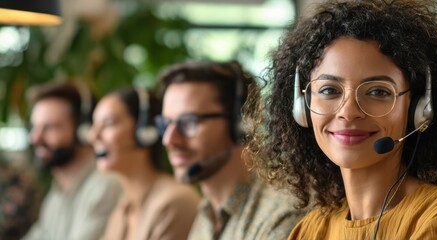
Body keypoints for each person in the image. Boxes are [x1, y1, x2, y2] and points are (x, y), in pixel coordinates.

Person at [244, 0, 437, 239]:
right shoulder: (311, 230)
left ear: (420, 108)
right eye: (329, 90)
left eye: (378, 92)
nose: (348, 111)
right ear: (303, 106)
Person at [156, 61, 306, 240]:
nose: (169, 140)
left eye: (189, 122)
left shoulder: (282, 215)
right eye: (165, 124)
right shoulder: (208, 213)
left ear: (239, 124)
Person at [89, 87, 199, 240]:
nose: (93, 136)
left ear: (144, 130)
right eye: (94, 125)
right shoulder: (123, 209)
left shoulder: (174, 203)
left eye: (108, 124)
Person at [24, 81, 122, 240]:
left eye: (50, 127)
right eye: (34, 127)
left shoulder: (105, 187)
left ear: (83, 130)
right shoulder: (57, 192)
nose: (35, 138)